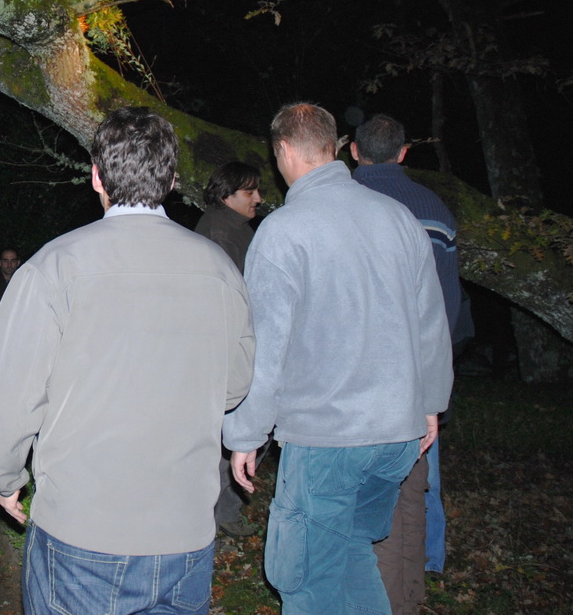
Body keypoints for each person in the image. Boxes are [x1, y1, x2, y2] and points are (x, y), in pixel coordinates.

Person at [0, 107, 255, 615]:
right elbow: (235, 385)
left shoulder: (53, 266)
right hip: (184, 531)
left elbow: (7, 396)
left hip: (83, 531)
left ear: (96, 177)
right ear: (172, 180)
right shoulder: (219, 269)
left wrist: (7, 475)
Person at [223, 103, 453, 614]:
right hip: (395, 435)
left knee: (305, 577)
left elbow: (265, 348)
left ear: (284, 150)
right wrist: (430, 405)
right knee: (351, 553)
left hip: (328, 439)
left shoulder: (285, 230)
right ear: (335, 147)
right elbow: (431, 324)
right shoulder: (398, 219)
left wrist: (244, 432)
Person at [352, 114, 460, 612]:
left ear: (354, 151)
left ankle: (372, 576)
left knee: (362, 481)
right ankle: (420, 570)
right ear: (403, 152)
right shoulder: (433, 209)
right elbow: (447, 303)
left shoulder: (340, 203)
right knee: (418, 475)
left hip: (355, 368)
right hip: (417, 367)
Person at [193, 161, 263, 539]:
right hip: (222, 351)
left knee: (237, 434)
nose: (258, 198)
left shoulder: (239, 229)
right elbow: (226, 300)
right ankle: (212, 519)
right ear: (225, 196)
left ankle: (224, 513)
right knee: (223, 436)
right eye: (249, 192)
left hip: (234, 347)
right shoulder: (219, 232)